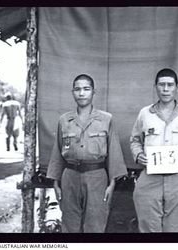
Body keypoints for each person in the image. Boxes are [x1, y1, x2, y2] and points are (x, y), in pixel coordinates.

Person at [47, 74, 127, 233]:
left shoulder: (106, 119)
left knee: (96, 223)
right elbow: (57, 153)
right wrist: (55, 183)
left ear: (93, 92)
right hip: (70, 176)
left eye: (86, 89)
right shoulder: (64, 120)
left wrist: (112, 184)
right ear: (72, 92)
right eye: (77, 89)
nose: (81, 93)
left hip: (96, 176)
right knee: (69, 224)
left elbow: (114, 152)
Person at [130, 68, 178, 232]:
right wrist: (138, 155)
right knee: (148, 228)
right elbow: (135, 140)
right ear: (155, 86)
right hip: (149, 178)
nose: (165, 89)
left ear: (177, 88)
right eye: (161, 85)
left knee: (175, 229)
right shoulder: (145, 113)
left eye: (170, 85)